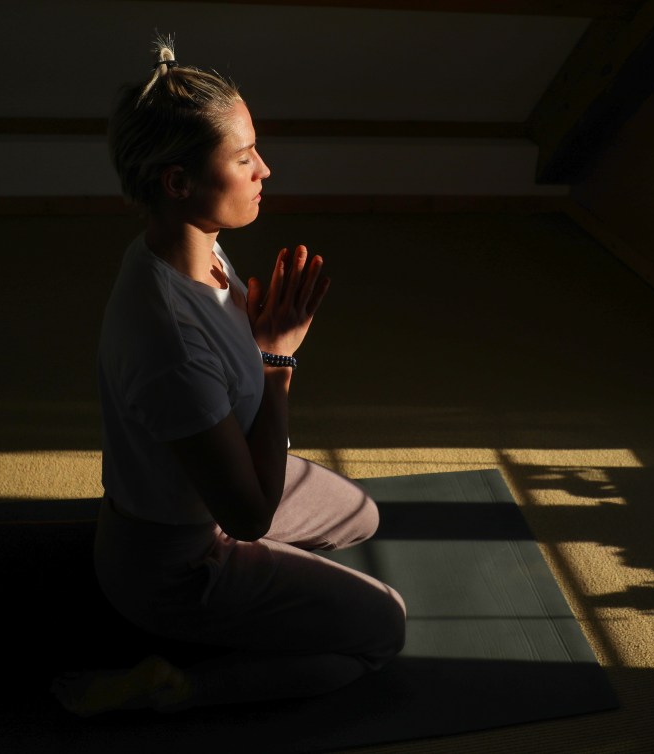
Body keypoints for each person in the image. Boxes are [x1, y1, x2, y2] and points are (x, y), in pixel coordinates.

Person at [50, 37, 406, 716]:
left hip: (202, 498)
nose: (264, 170)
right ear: (177, 182)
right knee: (382, 629)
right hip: (175, 567)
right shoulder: (169, 344)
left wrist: (260, 342)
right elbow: (246, 518)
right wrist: (276, 360)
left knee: (361, 515)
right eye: (243, 159)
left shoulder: (189, 246)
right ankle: (171, 691)